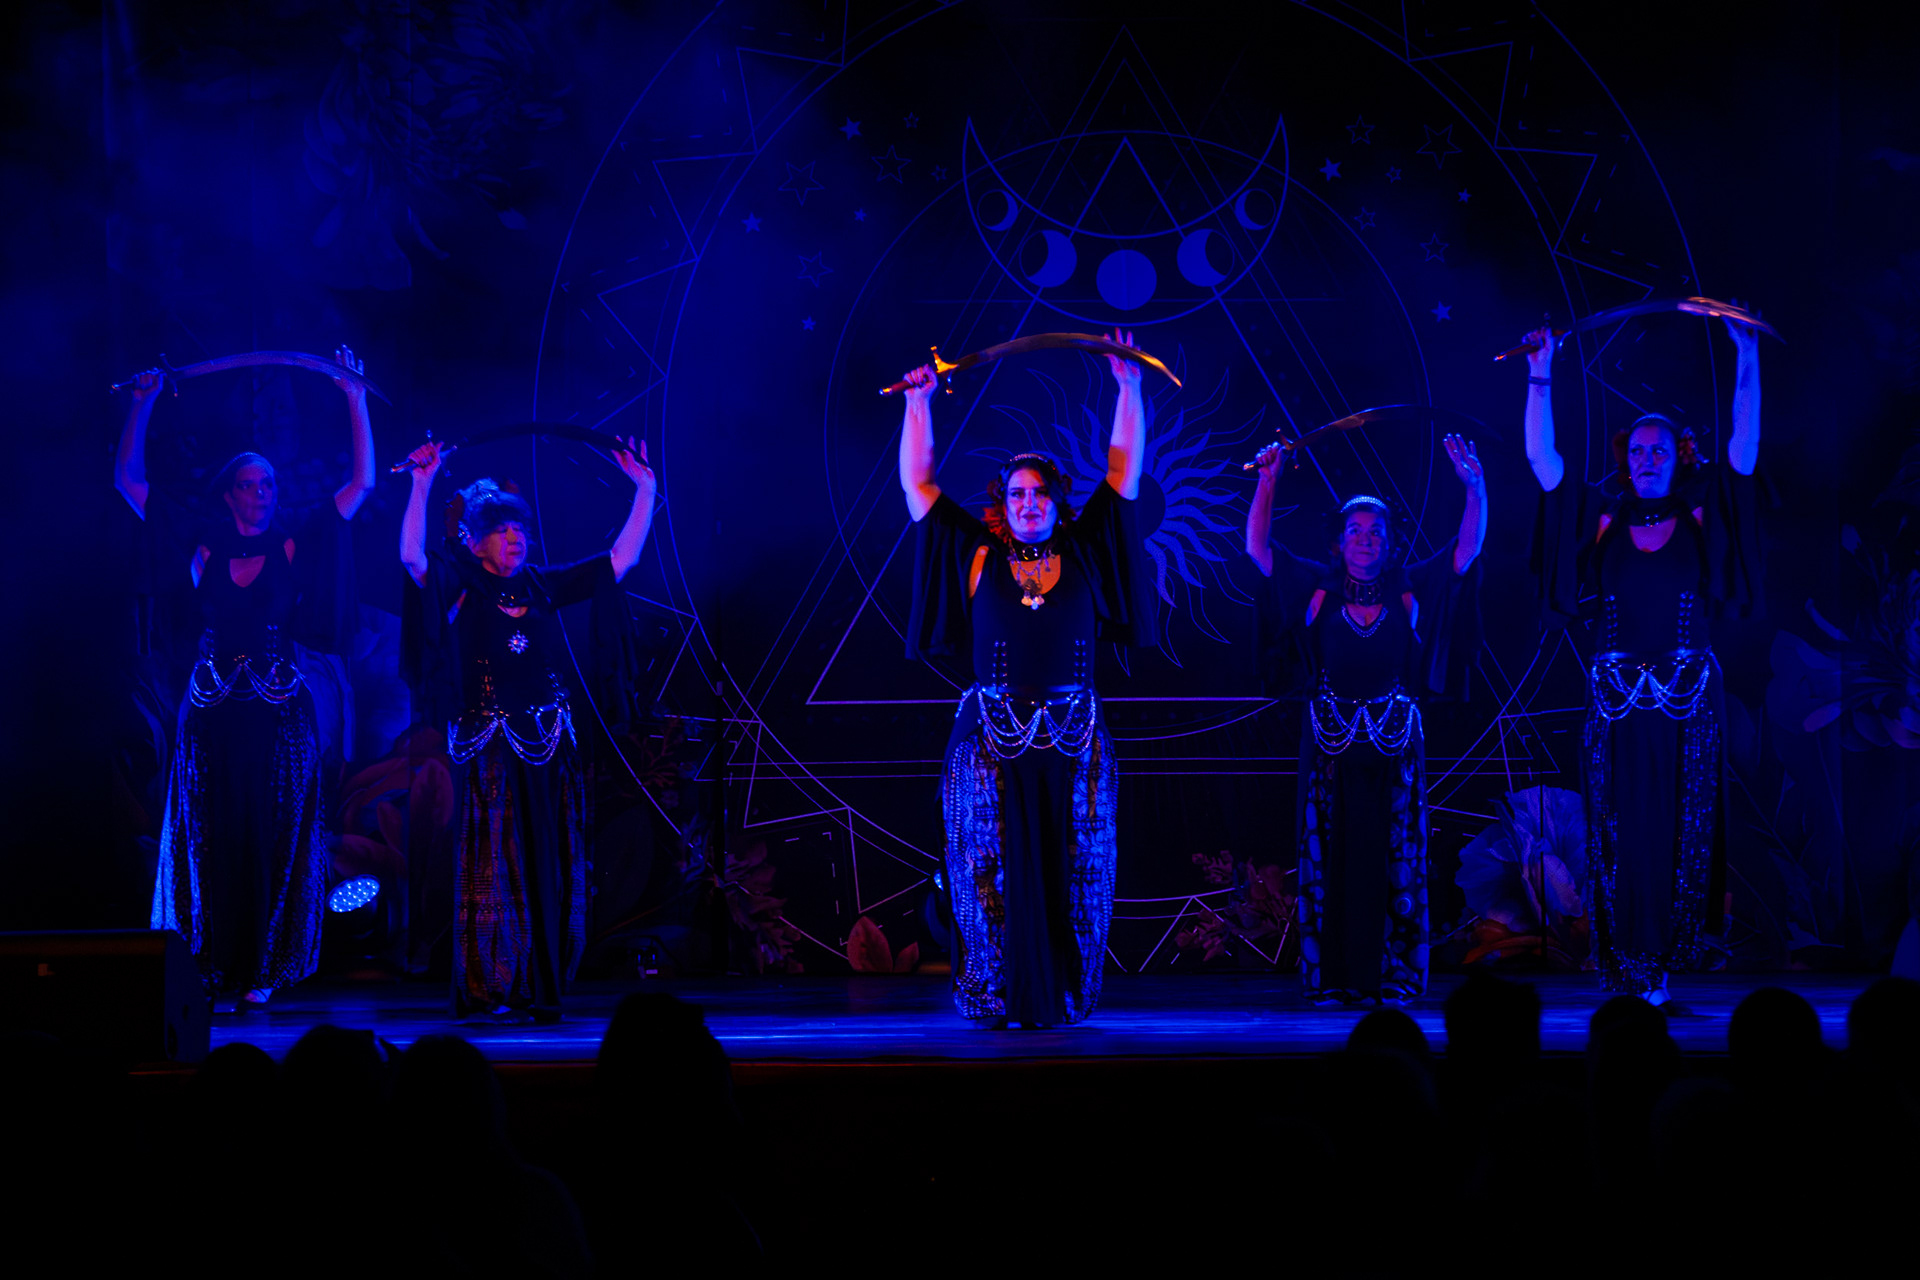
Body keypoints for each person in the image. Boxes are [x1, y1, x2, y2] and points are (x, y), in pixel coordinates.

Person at [901, 331, 1158, 1028]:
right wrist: (919, 405)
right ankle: (994, 992)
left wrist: (1128, 388)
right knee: (986, 866)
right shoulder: (978, 554)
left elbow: (1123, 473)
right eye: (1017, 493)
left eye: (1040, 492)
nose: (1029, 502)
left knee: (1076, 865)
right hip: (990, 740)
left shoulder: (1087, 549)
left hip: (1074, 740)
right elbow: (920, 487)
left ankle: (1066, 993)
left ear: (1056, 501)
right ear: (1002, 501)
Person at [120, 347, 375, 1006]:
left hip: (279, 712)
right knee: (212, 833)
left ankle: (263, 967)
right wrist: (143, 402)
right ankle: (210, 964)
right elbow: (130, 484)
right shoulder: (201, 545)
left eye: (269, 486)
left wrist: (353, 397)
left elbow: (360, 487)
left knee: (270, 833)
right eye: (250, 484)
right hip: (210, 713)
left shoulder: (292, 543)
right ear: (229, 492)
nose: (262, 494)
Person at [1520, 315, 1764, 1006]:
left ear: (1678, 457)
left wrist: (1746, 357)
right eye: (1637, 450)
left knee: (1679, 830)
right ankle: (1631, 968)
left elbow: (1744, 450)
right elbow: (1544, 463)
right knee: (1621, 831)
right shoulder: (1602, 517)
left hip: (1687, 704)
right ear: (1626, 459)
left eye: (1659, 450)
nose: (1648, 458)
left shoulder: (1699, 514)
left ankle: (1661, 963)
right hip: (1617, 704)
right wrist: (1540, 372)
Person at [399, 436, 654, 1022]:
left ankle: (543, 983)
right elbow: (412, 558)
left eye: (520, 529)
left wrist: (646, 490)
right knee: (494, 862)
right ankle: (494, 983)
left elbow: (619, 562)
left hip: (547, 745)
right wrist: (421, 483)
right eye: (501, 529)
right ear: (474, 539)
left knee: (548, 858)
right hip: (489, 746)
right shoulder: (459, 584)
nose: (515, 537)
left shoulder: (541, 584)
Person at [1247, 434, 1485, 1006]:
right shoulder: (1316, 587)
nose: (1365, 538)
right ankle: (1333, 977)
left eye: (1376, 531)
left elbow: (1465, 551)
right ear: (1338, 540)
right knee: (1332, 857)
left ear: (1390, 541)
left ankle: (1391, 975)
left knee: (1391, 857)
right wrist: (1268, 482)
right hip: (1330, 747)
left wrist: (1475, 488)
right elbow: (1258, 550)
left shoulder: (1409, 589)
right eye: (1355, 529)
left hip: (1393, 746)